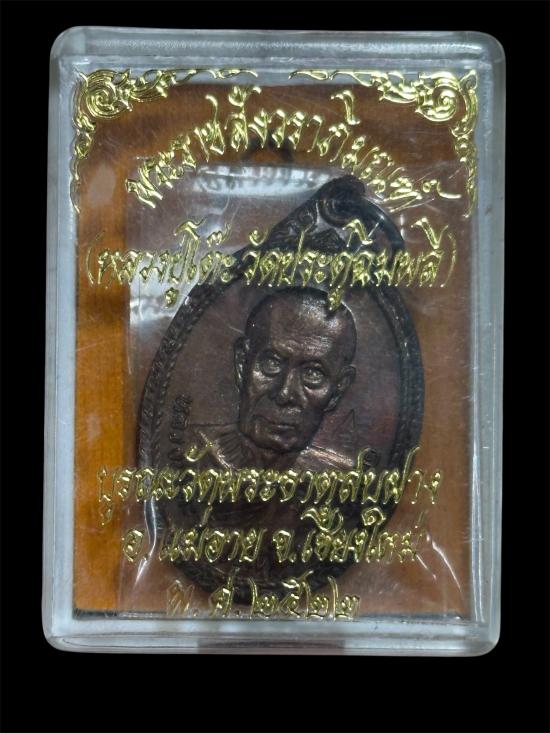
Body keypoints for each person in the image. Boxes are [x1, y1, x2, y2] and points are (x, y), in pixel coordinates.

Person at [188, 287, 358, 473]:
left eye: (312, 374)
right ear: (242, 364)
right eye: (272, 364)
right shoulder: (189, 451)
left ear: (338, 389)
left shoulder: (345, 479)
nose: (285, 393)